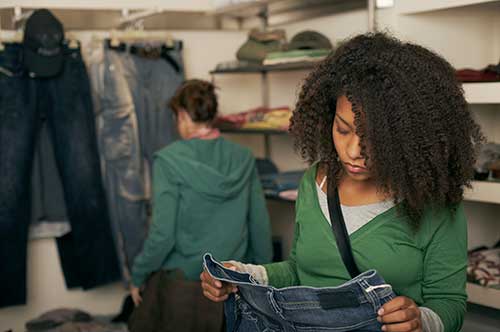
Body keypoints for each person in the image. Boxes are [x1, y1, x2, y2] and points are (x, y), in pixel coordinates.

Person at [201, 33, 483, 332]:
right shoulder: (315, 182)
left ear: (407, 136)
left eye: (374, 138)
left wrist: (420, 321)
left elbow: (449, 303)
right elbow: (300, 271)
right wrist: (243, 275)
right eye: (343, 129)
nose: (353, 152)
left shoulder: (435, 203)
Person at [128, 79, 273, 332]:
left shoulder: (168, 161)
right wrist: (262, 280)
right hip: (233, 283)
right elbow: (260, 226)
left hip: (185, 287)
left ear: (182, 115)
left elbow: (163, 235)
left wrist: (138, 275)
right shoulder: (244, 157)